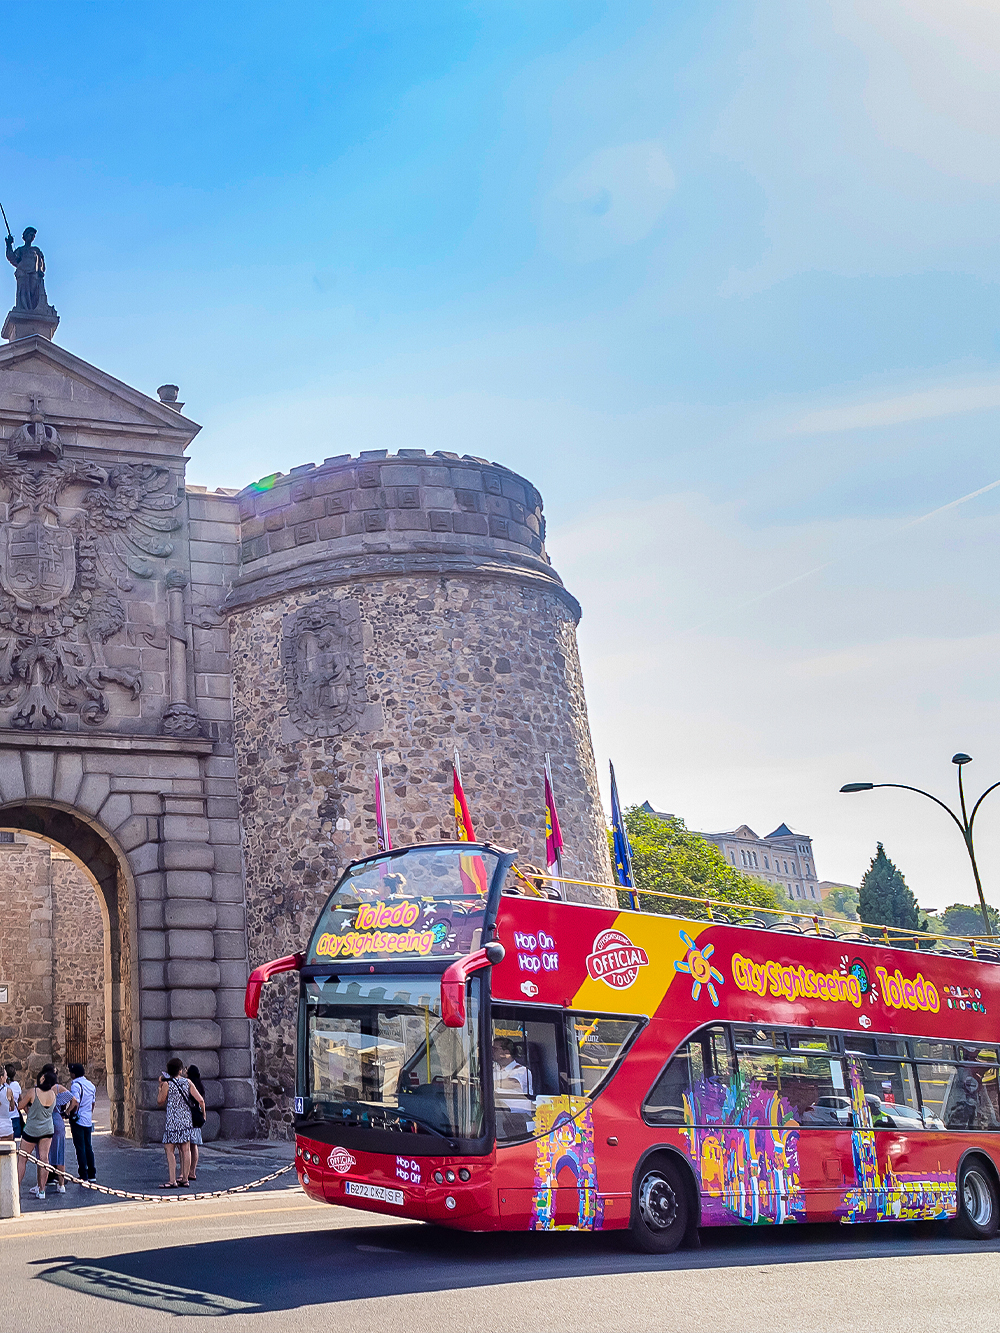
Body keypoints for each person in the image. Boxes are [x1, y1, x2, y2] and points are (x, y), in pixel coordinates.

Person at [157, 1057, 205, 1188]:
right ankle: (185, 1178)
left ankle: (172, 1180)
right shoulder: (188, 1082)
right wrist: (203, 1115)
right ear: (180, 1070)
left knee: (169, 1149)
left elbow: (160, 1101)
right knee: (185, 1149)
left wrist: (160, 1087)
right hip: (186, 1120)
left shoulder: (167, 1084)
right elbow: (200, 1100)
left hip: (173, 1121)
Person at [18, 1071, 57, 1198]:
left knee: (22, 1159)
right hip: (47, 1129)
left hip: (32, 1129)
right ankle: (42, 1190)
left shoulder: (33, 1092)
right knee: (44, 1159)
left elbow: (20, 1106)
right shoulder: (53, 1093)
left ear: (43, 1079)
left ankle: (16, 1187)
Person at [39, 1064, 72, 1193]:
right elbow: (73, 1099)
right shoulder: (57, 1090)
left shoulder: (41, 1092)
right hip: (58, 1120)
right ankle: (61, 1184)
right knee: (60, 1153)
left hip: (46, 1121)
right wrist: (67, 1112)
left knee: (43, 1155)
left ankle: (41, 1185)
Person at [67, 1062, 97, 1182]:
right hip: (87, 1119)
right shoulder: (91, 1085)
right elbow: (93, 1103)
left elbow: (75, 1102)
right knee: (88, 1146)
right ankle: (92, 1173)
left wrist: (69, 1112)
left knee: (80, 1147)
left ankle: (83, 1174)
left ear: (73, 1073)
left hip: (78, 1119)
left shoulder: (75, 1085)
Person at [184, 1064, 208, 1181]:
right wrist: (203, 1114)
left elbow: (200, 1101)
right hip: (197, 1117)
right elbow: (201, 1102)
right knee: (195, 1146)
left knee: (187, 1147)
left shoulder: (188, 1085)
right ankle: (192, 1171)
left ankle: (186, 1172)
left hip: (189, 1117)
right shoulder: (200, 1086)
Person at [5, 1063, 22, 1139]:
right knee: (16, 1145)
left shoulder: (3, 1087)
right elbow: (20, 1100)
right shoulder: (16, 1085)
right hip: (15, 1117)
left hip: (4, 1118)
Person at [0, 1066, 15, 1141]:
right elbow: (12, 1108)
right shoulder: (8, 1091)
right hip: (6, 1126)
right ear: (1, 1077)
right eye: (5, 1075)